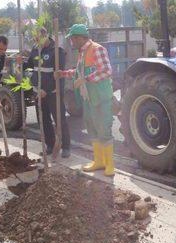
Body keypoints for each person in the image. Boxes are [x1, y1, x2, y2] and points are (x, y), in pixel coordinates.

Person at [55, 24, 115, 176]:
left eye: (73, 39)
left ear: (80, 38)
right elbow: (79, 72)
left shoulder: (97, 49)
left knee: (103, 129)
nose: (71, 42)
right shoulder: (83, 52)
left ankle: (110, 165)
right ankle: (99, 161)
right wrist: (64, 73)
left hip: (100, 97)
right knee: (92, 128)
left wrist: (86, 79)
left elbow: (106, 71)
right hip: (88, 97)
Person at [22, 26, 71, 158]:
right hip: (39, 92)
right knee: (43, 120)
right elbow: (31, 66)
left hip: (53, 92)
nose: (36, 41)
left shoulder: (57, 51)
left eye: (39, 38)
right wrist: (23, 63)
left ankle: (66, 146)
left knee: (59, 119)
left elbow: (58, 74)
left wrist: (47, 90)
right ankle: (50, 145)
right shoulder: (35, 49)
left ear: (46, 36)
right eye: (35, 39)